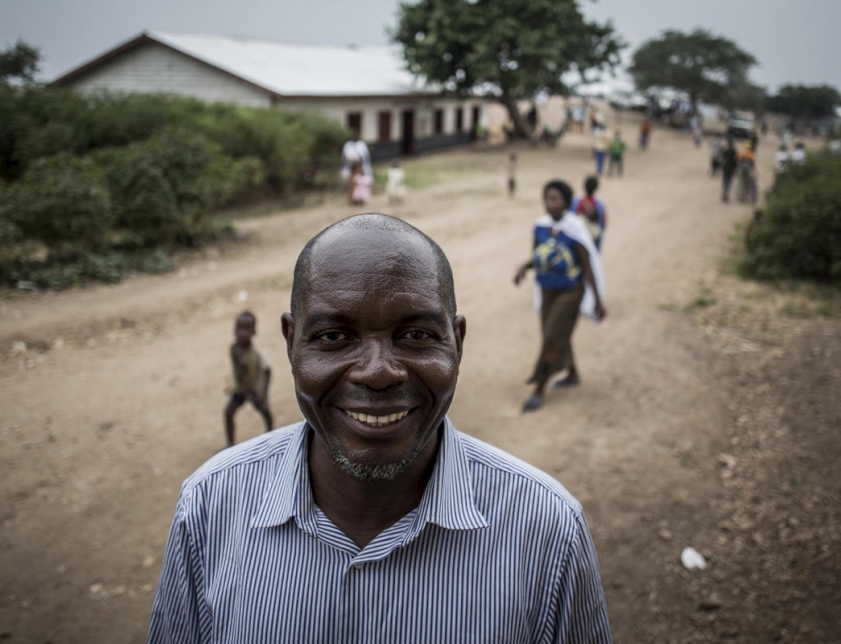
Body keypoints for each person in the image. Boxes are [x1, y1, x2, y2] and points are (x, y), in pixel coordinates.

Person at [148, 213, 613, 643]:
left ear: (457, 343)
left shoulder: (547, 530)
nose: (377, 372)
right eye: (334, 337)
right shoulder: (210, 505)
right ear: (292, 345)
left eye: (415, 336)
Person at [514, 181, 606, 413]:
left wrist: (597, 300)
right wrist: (524, 267)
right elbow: (540, 256)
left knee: (552, 338)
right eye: (547, 198)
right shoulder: (540, 227)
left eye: (555, 198)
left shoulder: (574, 229)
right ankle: (572, 373)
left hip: (570, 293)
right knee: (554, 333)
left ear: (566, 202)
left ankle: (539, 388)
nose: (549, 203)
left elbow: (587, 267)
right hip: (547, 293)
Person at [223, 311, 273, 447]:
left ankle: (271, 435)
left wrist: (263, 393)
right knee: (228, 413)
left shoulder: (256, 352)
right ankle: (230, 445)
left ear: (254, 332)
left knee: (265, 411)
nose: (241, 333)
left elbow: (267, 370)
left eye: (246, 329)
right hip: (240, 389)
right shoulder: (234, 348)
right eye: (239, 329)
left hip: (254, 390)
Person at [571, 176, 608, 251]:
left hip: (577, 236)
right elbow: (603, 224)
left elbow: (570, 218)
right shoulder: (599, 205)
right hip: (592, 238)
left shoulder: (575, 202)